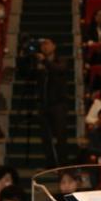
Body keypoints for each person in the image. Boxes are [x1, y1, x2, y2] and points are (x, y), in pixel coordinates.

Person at [36, 39, 68, 167]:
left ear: (54, 46)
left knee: (61, 136)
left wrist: (45, 61)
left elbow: (59, 69)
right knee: (45, 136)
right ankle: (50, 163)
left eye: (47, 44)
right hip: (44, 103)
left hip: (58, 104)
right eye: (42, 44)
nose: (44, 46)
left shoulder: (61, 60)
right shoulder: (39, 62)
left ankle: (63, 164)